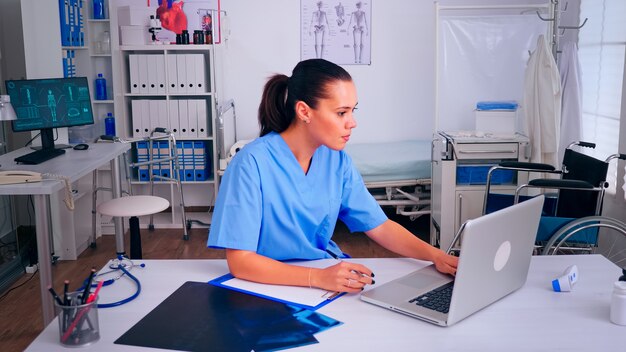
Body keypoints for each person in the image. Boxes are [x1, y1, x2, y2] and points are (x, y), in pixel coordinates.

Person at [208, 59, 458, 294]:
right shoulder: (250, 164)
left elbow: (380, 226)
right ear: (304, 112)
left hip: (320, 275)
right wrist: (316, 278)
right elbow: (240, 262)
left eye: (352, 111)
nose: (352, 123)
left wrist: (436, 255)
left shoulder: (336, 161)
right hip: (267, 282)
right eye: (341, 113)